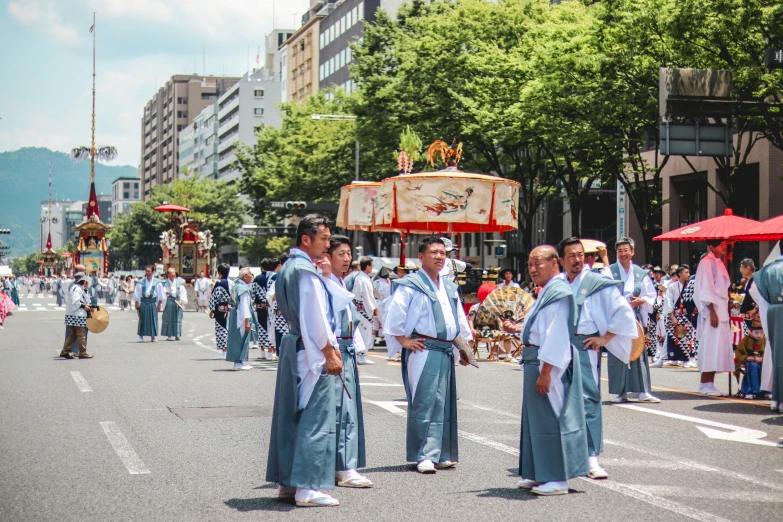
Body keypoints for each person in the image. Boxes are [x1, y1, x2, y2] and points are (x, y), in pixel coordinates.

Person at [266, 214, 347, 507]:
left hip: (294, 344)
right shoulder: (306, 271)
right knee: (315, 415)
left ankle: (289, 483)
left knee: (294, 413)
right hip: (310, 347)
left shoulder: (289, 268)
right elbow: (316, 317)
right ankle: (307, 487)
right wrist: (329, 352)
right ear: (306, 239)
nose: (328, 244)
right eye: (324, 238)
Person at [502, 245, 589, 495]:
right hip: (535, 359)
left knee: (551, 418)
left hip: (546, 363)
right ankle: (539, 473)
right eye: (530, 264)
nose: (532, 269)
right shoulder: (547, 291)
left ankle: (557, 478)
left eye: (537, 262)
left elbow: (556, 336)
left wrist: (546, 372)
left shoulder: (558, 292)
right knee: (536, 419)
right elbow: (540, 328)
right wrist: (519, 329)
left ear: (554, 263)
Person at [384, 236, 473, 474]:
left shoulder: (449, 287)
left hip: (445, 349)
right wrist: (403, 340)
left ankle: (441, 453)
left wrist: (464, 348)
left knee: (443, 403)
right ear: (421, 257)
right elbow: (395, 314)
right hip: (424, 350)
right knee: (424, 402)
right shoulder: (411, 284)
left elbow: (458, 320)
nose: (439, 256)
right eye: (433, 252)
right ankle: (423, 454)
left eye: (443, 253)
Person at [556, 238, 636, 480]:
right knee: (558, 401)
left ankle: (591, 456)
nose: (577, 259)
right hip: (558, 347)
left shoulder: (597, 283)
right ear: (561, 260)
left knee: (588, 400)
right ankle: (563, 454)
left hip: (583, 347)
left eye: (580, 254)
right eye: (571, 255)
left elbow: (623, 312)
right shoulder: (556, 283)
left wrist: (605, 338)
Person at [318, 235, 373, 488]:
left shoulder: (340, 282)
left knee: (347, 410)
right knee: (340, 411)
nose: (347, 258)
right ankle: (342, 466)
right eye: (341, 254)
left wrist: (357, 355)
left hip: (347, 351)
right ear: (327, 256)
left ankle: (343, 464)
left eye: (349, 253)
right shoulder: (325, 284)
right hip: (336, 351)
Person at [601, 237, 660, 403]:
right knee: (618, 352)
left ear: (632, 252)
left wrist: (642, 301)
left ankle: (643, 390)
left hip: (635, 316)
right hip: (617, 317)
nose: (622, 254)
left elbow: (651, 295)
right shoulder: (610, 271)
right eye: (619, 251)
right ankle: (621, 392)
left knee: (638, 351)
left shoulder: (640, 273)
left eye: (626, 250)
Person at [693, 240, 734, 396]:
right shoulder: (706, 262)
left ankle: (710, 382)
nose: (724, 246)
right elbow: (706, 288)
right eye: (721, 244)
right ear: (712, 247)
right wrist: (712, 311)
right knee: (711, 345)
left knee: (719, 347)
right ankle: (705, 382)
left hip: (720, 306)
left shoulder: (717, 262)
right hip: (713, 309)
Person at [748, 243, 783, 412]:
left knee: (777, 357)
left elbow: (755, 291)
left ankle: (776, 398)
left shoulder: (766, 270)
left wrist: (767, 306)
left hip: (773, 310)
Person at [663, 265, 698, 368]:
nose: (688, 274)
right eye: (685, 272)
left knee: (689, 338)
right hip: (676, 314)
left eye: (688, 272)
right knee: (674, 337)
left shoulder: (692, 285)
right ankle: (674, 359)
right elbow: (669, 302)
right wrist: (672, 316)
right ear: (679, 274)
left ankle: (689, 359)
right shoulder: (672, 286)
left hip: (688, 315)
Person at [344, 257, 377, 365]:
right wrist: (373, 308)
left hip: (358, 308)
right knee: (364, 333)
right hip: (363, 310)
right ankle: (361, 356)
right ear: (367, 266)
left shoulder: (360, 278)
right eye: (371, 265)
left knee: (360, 332)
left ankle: (360, 355)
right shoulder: (363, 279)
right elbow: (367, 297)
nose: (372, 268)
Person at [59, 272, 94, 359]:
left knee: (73, 335)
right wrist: (83, 306)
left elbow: (86, 299)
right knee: (81, 334)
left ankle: (65, 351)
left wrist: (85, 289)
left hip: (73, 315)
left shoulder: (78, 288)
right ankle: (82, 352)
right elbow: (76, 301)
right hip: (77, 315)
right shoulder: (77, 288)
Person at [226, 267, 255, 370]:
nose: (252, 276)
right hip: (241, 315)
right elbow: (244, 306)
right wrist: (247, 321)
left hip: (236, 314)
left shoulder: (237, 286)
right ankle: (238, 362)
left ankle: (240, 361)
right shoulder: (243, 289)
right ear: (244, 276)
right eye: (250, 274)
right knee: (241, 338)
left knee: (238, 337)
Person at [735, 320, 766, 399]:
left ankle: (766, 391)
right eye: (756, 333)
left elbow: (769, 352)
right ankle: (749, 391)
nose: (759, 335)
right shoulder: (746, 339)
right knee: (752, 366)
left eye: (761, 332)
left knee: (767, 367)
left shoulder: (764, 339)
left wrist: (763, 358)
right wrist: (746, 357)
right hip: (749, 360)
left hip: (761, 360)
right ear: (751, 331)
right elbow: (739, 352)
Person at [250, 260, 275, 359]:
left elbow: (253, 293)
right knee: (270, 327)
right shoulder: (273, 278)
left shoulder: (257, 278)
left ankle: (262, 352)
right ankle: (270, 351)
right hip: (270, 306)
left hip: (260, 306)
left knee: (261, 328)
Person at [134, 266, 163, 343]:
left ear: (153, 272)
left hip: (152, 302)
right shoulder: (141, 282)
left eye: (149, 271)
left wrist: (159, 304)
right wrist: (137, 302)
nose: (147, 273)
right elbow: (137, 293)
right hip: (143, 301)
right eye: (146, 271)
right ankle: (141, 336)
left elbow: (160, 295)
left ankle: (153, 336)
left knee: (153, 319)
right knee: (142, 319)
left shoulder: (157, 282)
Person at [209, 264, 232, 359]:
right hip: (231, 308)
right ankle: (229, 350)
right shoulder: (232, 283)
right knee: (228, 329)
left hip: (221, 309)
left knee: (221, 329)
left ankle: (224, 351)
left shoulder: (219, 283)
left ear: (219, 273)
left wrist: (212, 309)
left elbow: (214, 297)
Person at [161, 268, 187, 341]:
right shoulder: (165, 283)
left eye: (173, 273)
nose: (172, 274)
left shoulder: (179, 283)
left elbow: (183, 292)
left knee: (178, 317)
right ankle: (169, 335)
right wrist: (165, 293)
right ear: (168, 274)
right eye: (171, 273)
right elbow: (162, 292)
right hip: (169, 300)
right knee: (169, 318)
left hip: (178, 300)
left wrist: (181, 300)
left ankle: (177, 334)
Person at [372, 267, 393, 341]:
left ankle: (371, 344)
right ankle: (388, 343)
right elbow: (387, 298)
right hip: (381, 306)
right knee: (385, 326)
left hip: (373, 304)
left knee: (375, 326)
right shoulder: (386, 284)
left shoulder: (375, 282)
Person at [739, 259, 758, 331]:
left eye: (741, 268)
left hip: (752, 315)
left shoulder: (755, 281)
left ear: (748, 268)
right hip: (747, 314)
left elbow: (761, 298)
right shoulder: (748, 282)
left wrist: (755, 310)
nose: (740, 270)